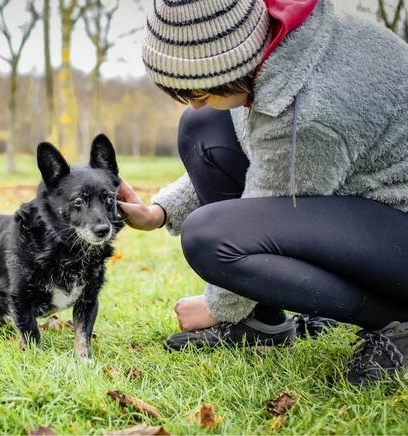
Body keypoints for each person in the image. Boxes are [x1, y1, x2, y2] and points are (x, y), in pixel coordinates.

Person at [117, 0, 408, 386]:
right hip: (362, 196)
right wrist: (161, 212)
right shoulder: (269, 45)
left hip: (398, 223)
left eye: (200, 91)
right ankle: (261, 323)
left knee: (210, 240)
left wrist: (218, 307)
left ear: (229, 64)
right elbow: (257, 150)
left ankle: (394, 318)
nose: (196, 101)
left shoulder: (310, 110)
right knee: (203, 125)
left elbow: (263, 207)